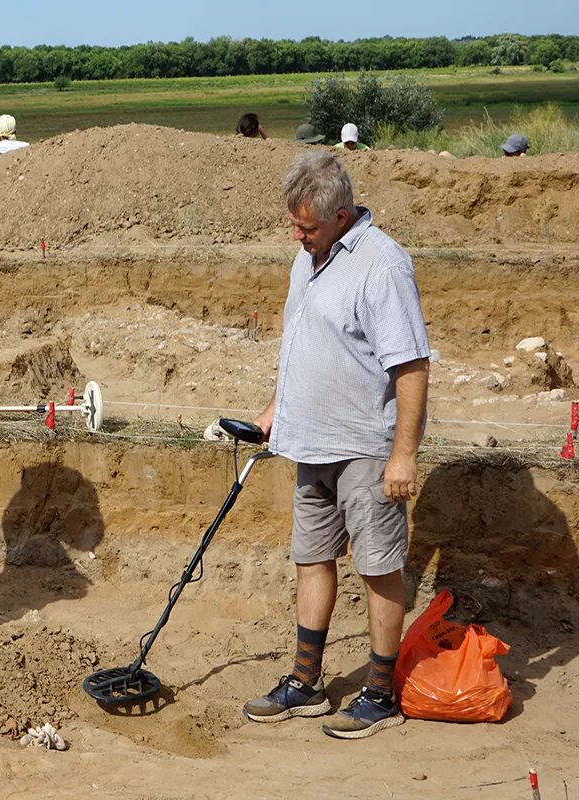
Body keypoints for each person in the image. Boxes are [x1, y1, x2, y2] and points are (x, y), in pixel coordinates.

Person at [242, 151, 431, 740]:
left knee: (377, 568)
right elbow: (303, 339)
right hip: (311, 442)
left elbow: (412, 366)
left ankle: (379, 693)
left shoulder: (382, 265)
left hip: (365, 447)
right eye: (294, 225)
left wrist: (403, 455)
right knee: (311, 558)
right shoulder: (309, 258)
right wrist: (278, 408)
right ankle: (306, 684)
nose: (297, 237)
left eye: (308, 227)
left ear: (343, 215)